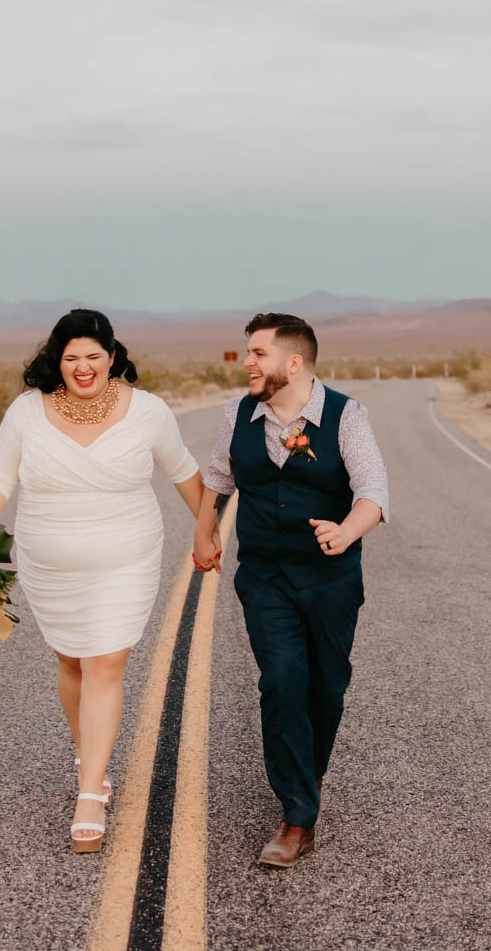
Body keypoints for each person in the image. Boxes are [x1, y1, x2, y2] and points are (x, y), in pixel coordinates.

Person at [0, 309, 205, 852]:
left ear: (113, 357)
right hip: (49, 564)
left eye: (93, 356)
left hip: (126, 556)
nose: (82, 366)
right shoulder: (27, 411)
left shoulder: (148, 411)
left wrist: (208, 533)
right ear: (58, 360)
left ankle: (90, 792)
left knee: (104, 660)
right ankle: (88, 757)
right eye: (72, 357)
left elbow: (184, 472)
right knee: (71, 659)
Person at [192, 313, 389, 868]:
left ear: (293, 362)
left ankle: (310, 768)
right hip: (264, 576)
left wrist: (346, 531)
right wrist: (203, 531)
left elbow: (373, 488)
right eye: (248, 353)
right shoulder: (238, 413)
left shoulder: (346, 415)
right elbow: (217, 476)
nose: (248, 363)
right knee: (281, 681)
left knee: (326, 688)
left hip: (330, 578)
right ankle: (297, 814)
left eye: (259, 353)